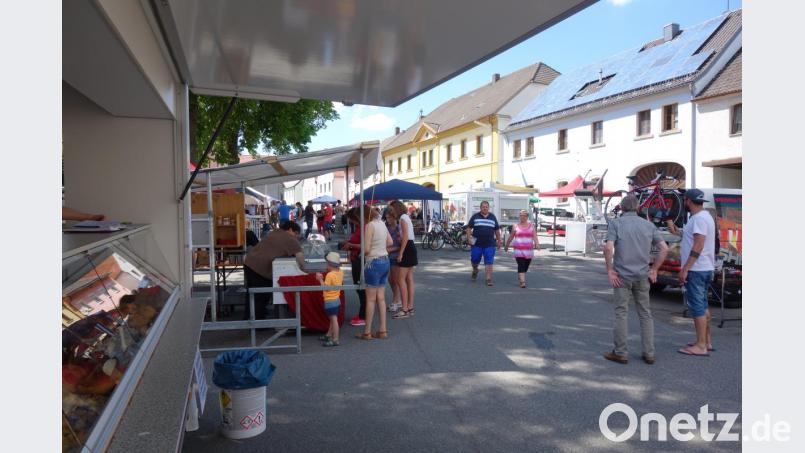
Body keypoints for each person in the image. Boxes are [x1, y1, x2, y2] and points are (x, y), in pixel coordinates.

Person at [602, 195, 669, 365]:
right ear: (638, 208)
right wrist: (654, 269)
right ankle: (649, 353)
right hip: (642, 275)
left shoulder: (616, 224)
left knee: (621, 313)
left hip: (622, 276)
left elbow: (608, 248)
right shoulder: (648, 225)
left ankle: (621, 352)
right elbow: (664, 248)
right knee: (645, 314)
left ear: (622, 208)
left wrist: (610, 270)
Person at [666, 189, 716, 357]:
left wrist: (685, 268)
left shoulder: (699, 219)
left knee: (697, 308)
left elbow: (699, 244)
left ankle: (701, 346)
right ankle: (706, 342)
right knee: (703, 305)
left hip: (697, 269)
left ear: (688, 201)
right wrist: (678, 232)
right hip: (705, 268)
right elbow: (694, 237)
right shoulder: (704, 216)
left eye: (684, 200)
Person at [243, 220, 304, 319]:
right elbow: (300, 257)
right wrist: (304, 270)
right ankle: (257, 322)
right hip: (260, 268)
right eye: (296, 233)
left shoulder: (275, 232)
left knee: (251, 295)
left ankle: (248, 319)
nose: (297, 236)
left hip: (249, 262)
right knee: (261, 296)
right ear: (290, 230)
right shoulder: (290, 239)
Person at [356, 207, 392, 340]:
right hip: (385, 261)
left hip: (373, 263)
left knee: (370, 299)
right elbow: (390, 242)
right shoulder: (382, 224)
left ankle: (367, 332)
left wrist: (361, 252)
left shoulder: (369, 226)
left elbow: (366, 249)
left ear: (365, 217)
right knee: (381, 298)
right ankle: (383, 330)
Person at [389, 200, 418, 318]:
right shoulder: (406, 217)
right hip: (410, 246)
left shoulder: (402, 218)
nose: (391, 211)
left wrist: (400, 253)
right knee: (409, 279)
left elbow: (405, 236)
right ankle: (409, 307)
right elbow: (407, 236)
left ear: (396, 208)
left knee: (400, 279)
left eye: (392, 209)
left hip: (407, 248)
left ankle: (404, 309)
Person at [341, 207, 366, 326]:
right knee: (359, 288)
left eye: (352, 219)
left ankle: (363, 315)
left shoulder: (364, 228)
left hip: (360, 260)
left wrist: (351, 245)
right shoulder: (360, 228)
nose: (351, 222)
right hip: (356, 258)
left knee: (361, 288)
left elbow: (365, 246)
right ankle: (363, 314)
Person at [466, 201, 501, 286]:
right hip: (476, 244)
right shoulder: (475, 216)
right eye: (483, 207)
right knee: (474, 260)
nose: (485, 208)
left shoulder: (492, 217)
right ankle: (475, 269)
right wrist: (469, 238)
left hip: (489, 244)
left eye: (486, 207)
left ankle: (488, 279)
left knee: (489, 261)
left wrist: (499, 240)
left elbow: (496, 230)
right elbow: (469, 228)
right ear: (480, 208)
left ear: (488, 208)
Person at [504, 210, 540, 288]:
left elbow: (534, 236)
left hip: (528, 250)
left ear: (527, 217)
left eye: (524, 215)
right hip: (518, 250)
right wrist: (506, 245)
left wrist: (537, 244)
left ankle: (521, 275)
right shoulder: (515, 226)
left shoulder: (531, 226)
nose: (522, 217)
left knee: (526, 266)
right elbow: (511, 237)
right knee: (521, 264)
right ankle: (522, 282)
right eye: (521, 215)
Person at [316, 252, 343, 347]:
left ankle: (335, 339)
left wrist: (320, 279)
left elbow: (326, 288)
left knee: (334, 320)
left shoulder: (330, 275)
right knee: (332, 319)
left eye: (327, 263)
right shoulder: (340, 272)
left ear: (330, 264)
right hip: (337, 299)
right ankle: (329, 335)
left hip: (330, 300)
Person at [385, 209, 403, 313]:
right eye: (387, 217)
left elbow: (402, 245)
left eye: (389, 217)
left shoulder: (398, 228)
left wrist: (391, 249)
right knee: (390, 279)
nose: (388, 220)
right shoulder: (387, 228)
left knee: (394, 280)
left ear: (394, 217)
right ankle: (397, 299)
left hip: (396, 256)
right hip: (388, 256)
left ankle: (396, 301)